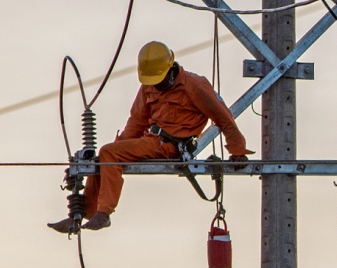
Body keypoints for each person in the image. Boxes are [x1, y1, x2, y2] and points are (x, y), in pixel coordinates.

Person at [48, 40, 250, 233]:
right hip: (151, 141)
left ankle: (104, 213)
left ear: (171, 70)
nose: (156, 86)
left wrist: (237, 150)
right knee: (103, 158)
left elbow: (224, 118)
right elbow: (137, 122)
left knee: (108, 153)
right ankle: (82, 213)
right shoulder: (149, 86)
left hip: (171, 147)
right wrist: (120, 148)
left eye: (159, 81)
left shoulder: (194, 86)